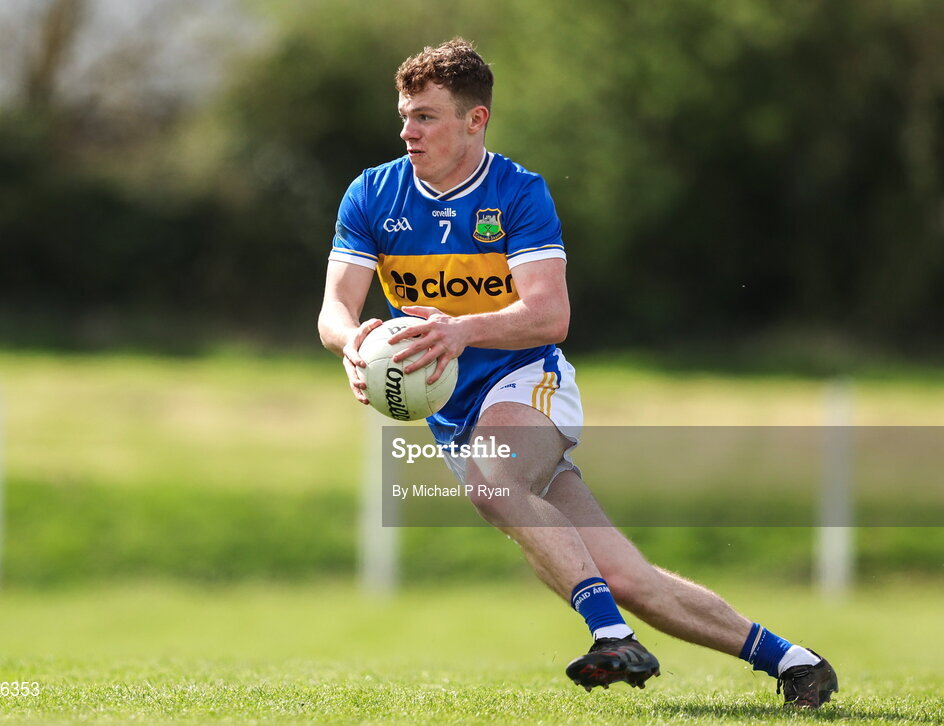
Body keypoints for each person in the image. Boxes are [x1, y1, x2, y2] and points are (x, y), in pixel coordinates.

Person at [317, 38, 838, 708]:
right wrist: (353, 346)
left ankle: (610, 638)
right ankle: (795, 663)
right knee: (624, 574)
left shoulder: (517, 192)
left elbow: (548, 314)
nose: (406, 131)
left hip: (524, 382)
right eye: (405, 115)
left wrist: (459, 329)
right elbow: (335, 307)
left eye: (425, 117)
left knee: (493, 481)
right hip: (453, 417)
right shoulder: (372, 193)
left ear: (475, 120)